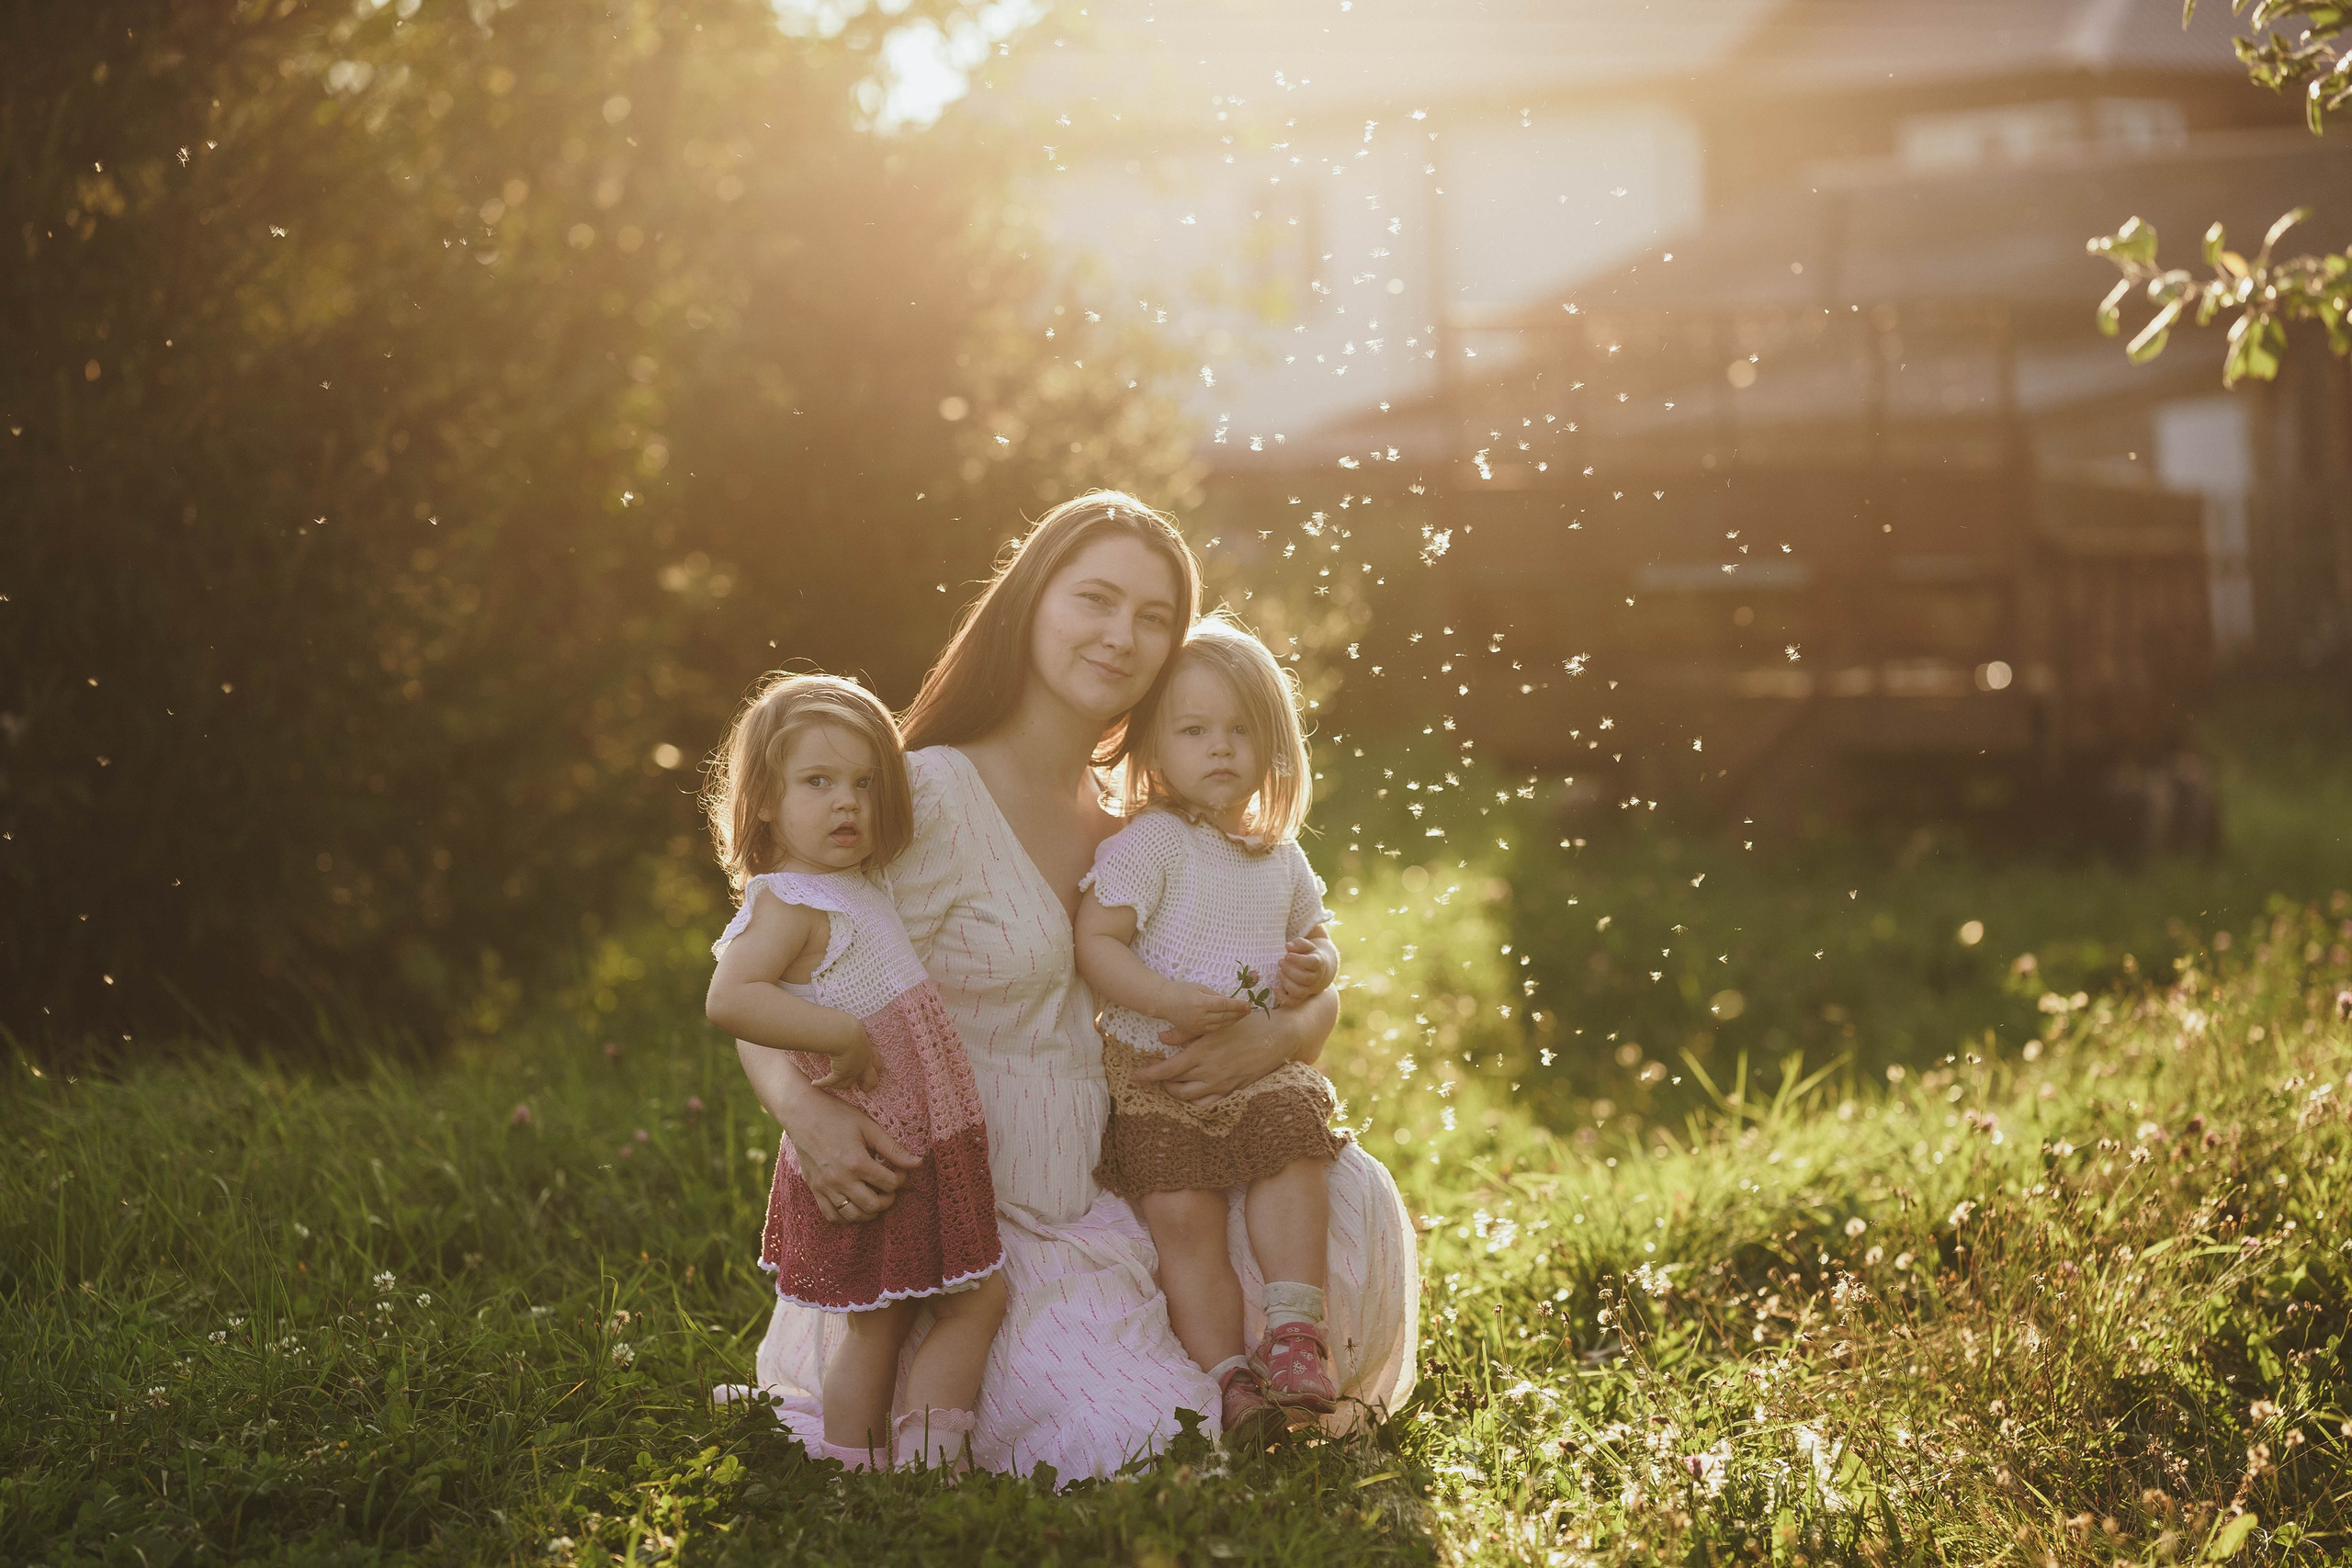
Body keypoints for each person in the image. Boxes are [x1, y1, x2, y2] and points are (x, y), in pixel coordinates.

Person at [733, 491, 1418, 1479]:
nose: (1121, 636)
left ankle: (1237, 1360)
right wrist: (807, 1112)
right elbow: (773, 948)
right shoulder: (927, 794)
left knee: (1337, 1197)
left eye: (1152, 618)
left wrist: (1285, 1030)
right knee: (1152, 1444)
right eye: (1095, 599)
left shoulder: (1141, 824)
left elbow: (1287, 965)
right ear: (1029, 604)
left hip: (1114, 1177)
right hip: (969, 1216)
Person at [704, 673, 1007, 1472]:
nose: (848, 803)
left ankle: (926, 1459)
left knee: (962, 1299)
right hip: (878, 1145)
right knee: (881, 1321)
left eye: (864, 784)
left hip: (918, 1139)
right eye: (818, 782)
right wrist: (835, 1029)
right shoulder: (789, 902)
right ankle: (856, 1464)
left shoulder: (853, 884)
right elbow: (730, 997)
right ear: (764, 800)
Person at [1074, 615, 1348, 1449]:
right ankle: (1227, 1375)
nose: (1220, 748)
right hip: (1157, 1068)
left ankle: (1296, 1332)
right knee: (1181, 1214)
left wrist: (1316, 969)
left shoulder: (1280, 855)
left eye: (1240, 731)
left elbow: (1321, 935)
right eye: (1195, 731)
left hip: (1258, 1067)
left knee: (1294, 1151)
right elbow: (1096, 942)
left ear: (1273, 748)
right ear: (1156, 745)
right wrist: (1164, 998)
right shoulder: (1149, 844)